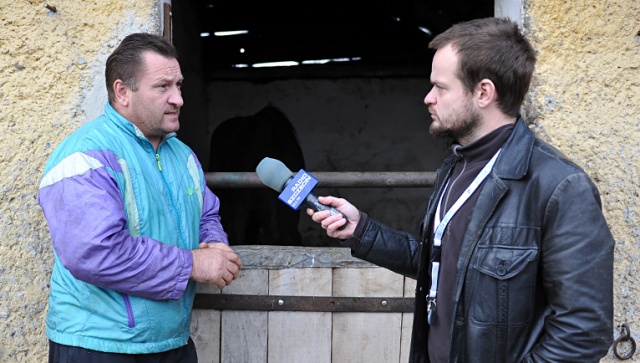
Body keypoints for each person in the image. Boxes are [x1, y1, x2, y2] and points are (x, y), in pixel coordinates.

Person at [308, 17, 614, 363]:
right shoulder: (456, 167)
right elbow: (445, 263)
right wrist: (361, 230)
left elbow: (585, 331)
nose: (427, 98)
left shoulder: (560, 188)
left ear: (483, 92)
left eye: (440, 87)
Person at [37, 33, 242, 362]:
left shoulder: (182, 155)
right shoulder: (85, 155)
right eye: (163, 87)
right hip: (99, 345)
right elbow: (96, 252)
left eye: (179, 85)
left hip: (170, 342)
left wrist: (214, 242)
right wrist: (192, 263)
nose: (178, 99)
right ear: (123, 92)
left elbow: (206, 215)